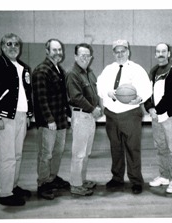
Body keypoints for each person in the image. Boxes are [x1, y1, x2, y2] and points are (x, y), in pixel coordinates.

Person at [0, 33, 33, 206]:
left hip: (21, 117)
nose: (13, 47)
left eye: (16, 44)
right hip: (4, 117)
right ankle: (4, 194)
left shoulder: (24, 67)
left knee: (17, 155)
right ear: (2, 46)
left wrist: (28, 114)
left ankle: (13, 186)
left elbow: (26, 93)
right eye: (9, 44)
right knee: (7, 156)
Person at [97, 39, 152, 194]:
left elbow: (147, 88)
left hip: (130, 114)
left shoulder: (137, 69)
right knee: (116, 148)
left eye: (123, 51)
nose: (120, 54)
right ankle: (117, 178)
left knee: (133, 148)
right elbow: (99, 86)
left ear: (128, 51)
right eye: (117, 51)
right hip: (111, 115)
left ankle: (136, 181)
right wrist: (107, 92)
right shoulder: (108, 69)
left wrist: (139, 98)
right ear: (113, 53)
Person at [32, 39, 71, 200]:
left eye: (60, 50)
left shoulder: (58, 69)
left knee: (58, 152)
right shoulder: (42, 70)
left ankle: (52, 178)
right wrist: (49, 119)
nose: (58, 53)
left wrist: (68, 113)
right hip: (49, 122)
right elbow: (40, 98)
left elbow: (62, 95)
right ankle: (43, 184)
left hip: (61, 120)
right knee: (46, 154)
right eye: (54, 50)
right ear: (47, 51)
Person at [144, 43, 172, 194]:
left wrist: (156, 110)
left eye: (163, 51)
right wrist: (149, 108)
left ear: (169, 54)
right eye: (158, 51)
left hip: (169, 117)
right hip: (156, 117)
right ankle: (164, 176)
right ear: (155, 54)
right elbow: (147, 92)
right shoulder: (153, 71)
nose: (160, 54)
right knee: (161, 148)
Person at [66, 43, 102, 196]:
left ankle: (81, 179)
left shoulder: (88, 73)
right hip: (81, 116)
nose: (86, 58)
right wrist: (93, 109)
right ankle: (75, 185)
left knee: (86, 153)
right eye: (82, 56)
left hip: (89, 117)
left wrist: (98, 106)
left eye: (88, 56)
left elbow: (95, 92)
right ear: (75, 57)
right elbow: (76, 97)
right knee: (79, 153)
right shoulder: (73, 74)